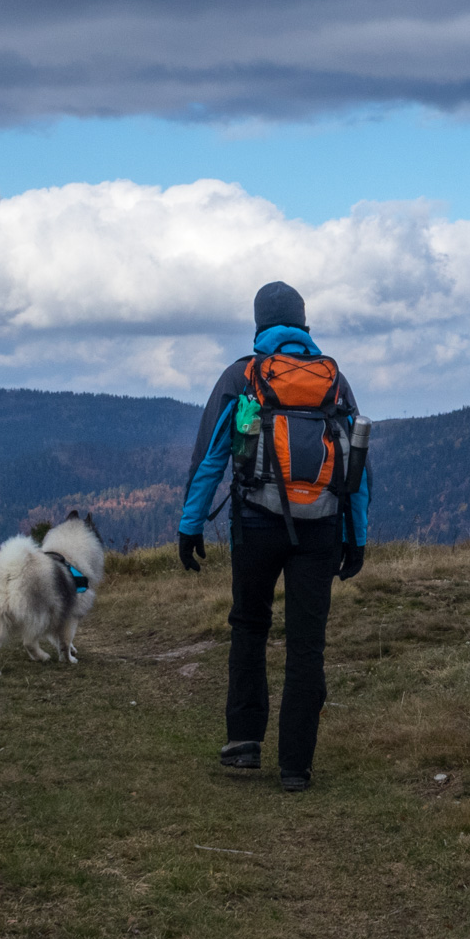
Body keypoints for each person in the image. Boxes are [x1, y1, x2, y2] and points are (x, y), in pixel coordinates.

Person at [177, 282, 370, 792]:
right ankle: (296, 766)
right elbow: (356, 467)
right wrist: (358, 537)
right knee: (307, 645)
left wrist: (189, 525)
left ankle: (243, 741)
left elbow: (211, 456)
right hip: (322, 526)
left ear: (260, 323)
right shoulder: (334, 379)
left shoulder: (244, 374)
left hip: (256, 524)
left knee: (250, 625)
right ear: (304, 324)